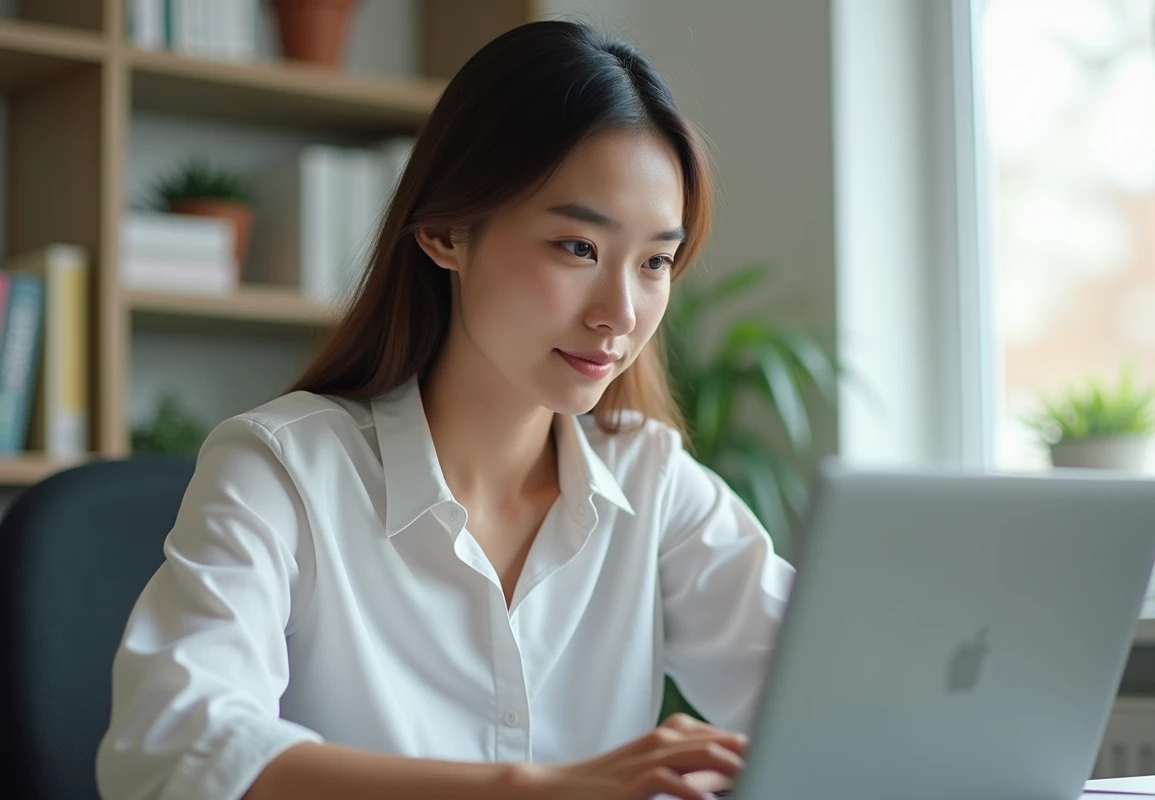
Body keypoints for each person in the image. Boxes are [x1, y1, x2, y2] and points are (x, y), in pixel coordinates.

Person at [96, 19, 794, 800]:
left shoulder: (652, 480)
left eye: (656, 261)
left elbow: (827, 697)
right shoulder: (283, 469)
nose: (620, 313)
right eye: (578, 248)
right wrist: (531, 789)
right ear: (444, 232)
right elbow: (170, 748)